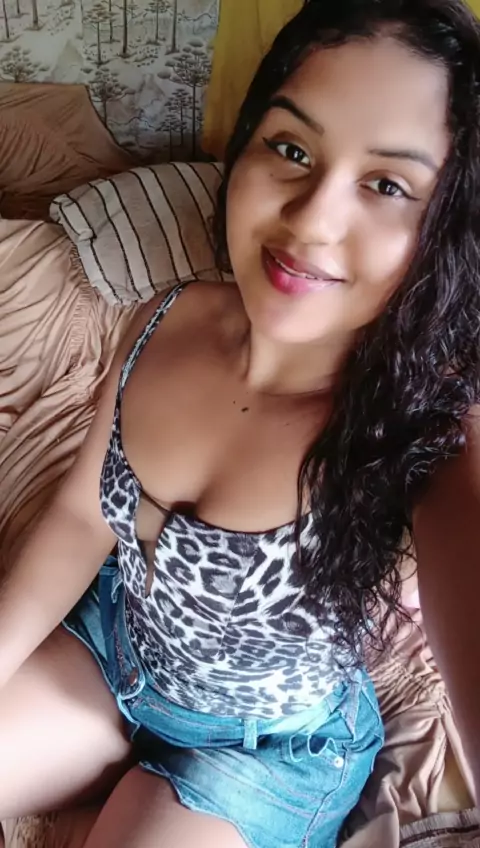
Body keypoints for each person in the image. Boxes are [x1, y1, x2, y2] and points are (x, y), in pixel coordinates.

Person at [1, 1, 480, 846]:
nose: (312, 219)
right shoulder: (166, 318)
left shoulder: (419, 424)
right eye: (291, 148)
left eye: (387, 185)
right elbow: (81, 518)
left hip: (267, 751)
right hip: (114, 653)